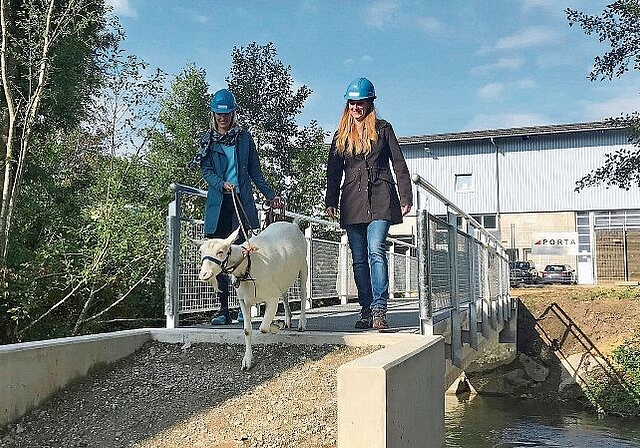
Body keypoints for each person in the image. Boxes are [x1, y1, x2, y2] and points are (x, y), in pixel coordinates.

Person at [325, 77, 413, 331]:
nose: (356, 107)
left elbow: (399, 164)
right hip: (352, 200)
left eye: (361, 102)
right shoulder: (340, 135)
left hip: (381, 197)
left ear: (370, 102)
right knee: (359, 258)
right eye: (352, 103)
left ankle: (379, 309)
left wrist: (406, 196)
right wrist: (331, 199)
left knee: (376, 248)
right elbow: (333, 171)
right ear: (348, 104)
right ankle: (365, 309)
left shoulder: (384, 129)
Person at [199, 88, 281, 325]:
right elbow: (207, 171)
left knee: (241, 253)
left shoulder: (244, 138)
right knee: (218, 255)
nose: (223, 118)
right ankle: (223, 309)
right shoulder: (207, 141)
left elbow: (255, 171)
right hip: (219, 204)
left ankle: (241, 306)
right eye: (218, 114)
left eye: (227, 114)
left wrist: (270, 194)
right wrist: (220, 184)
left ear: (234, 113)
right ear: (213, 114)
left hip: (241, 203)